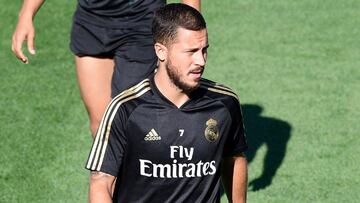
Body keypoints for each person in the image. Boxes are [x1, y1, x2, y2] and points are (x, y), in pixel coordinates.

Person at [85, 3, 248, 202]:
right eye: (191, 51)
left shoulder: (224, 103)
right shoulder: (126, 108)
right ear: (161, 52)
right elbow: (101, 180)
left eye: (204, 50)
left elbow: (234, 159)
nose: (201, 61)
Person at [11, 0, 201, 137]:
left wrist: (192, 32)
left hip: (140, 20)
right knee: (101, 124)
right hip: (91, 22)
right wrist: (27, 14)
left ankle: (145, 184)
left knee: (129, 119)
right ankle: (113, 188)